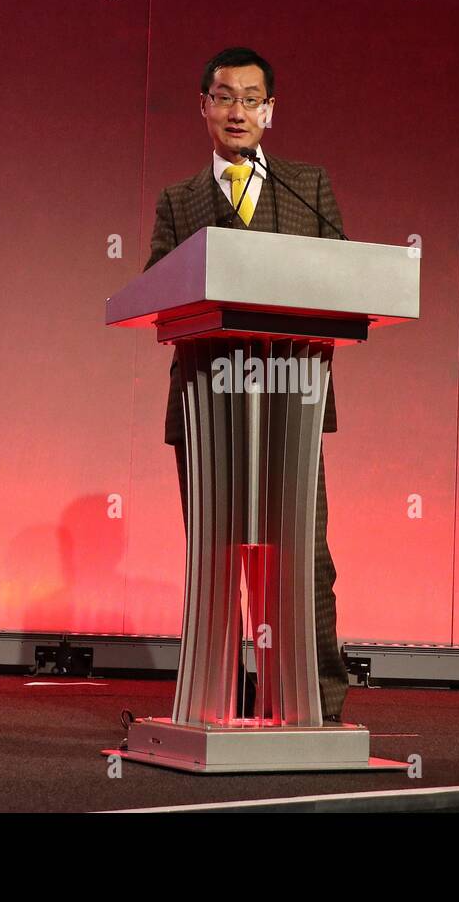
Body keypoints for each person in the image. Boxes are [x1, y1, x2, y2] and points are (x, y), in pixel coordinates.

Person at [142, 47, 349, 723]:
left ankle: (317, 704)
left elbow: (343, 284)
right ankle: (218, 702)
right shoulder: (179, 200)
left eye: (251, 98)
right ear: (204, 105)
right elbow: (159, 297)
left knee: (303, 560)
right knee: (217, 561)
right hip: (208, 403)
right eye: (225, 97)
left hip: (289, 398)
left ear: (271, 111)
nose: (238, 111)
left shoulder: (306, 187)